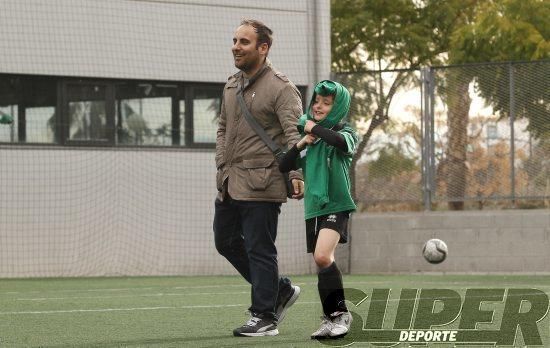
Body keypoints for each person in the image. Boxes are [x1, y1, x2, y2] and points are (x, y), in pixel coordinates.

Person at [214, 19, 304, 337]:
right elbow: (223, 126)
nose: (236, 47)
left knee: (259, 248)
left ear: (263, 48)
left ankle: (264, 316)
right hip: (230, 181)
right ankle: (279, 290)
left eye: (244, 42)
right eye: (235, 40)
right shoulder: (230, 85)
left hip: (264, 182)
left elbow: (296, 136)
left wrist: (295, 173)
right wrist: (221, 163)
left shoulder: (281, 88)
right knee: (224, 241)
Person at [279, 80, 358, 339]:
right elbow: (283, 165)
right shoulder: (311, 138)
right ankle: (330, 318)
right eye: (317, 101)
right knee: (321, 261)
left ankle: (340, 315)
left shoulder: (346, 132)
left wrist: (313, 127)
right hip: (314, 209)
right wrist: (302, 142)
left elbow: (339, 141)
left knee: (323, 256)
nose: (319, 106)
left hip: (337, 205)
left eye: (327, 103)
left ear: (338, 107)